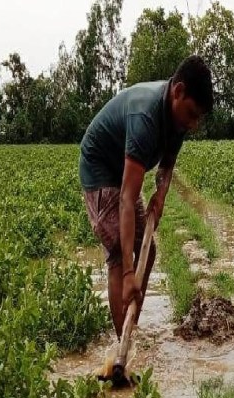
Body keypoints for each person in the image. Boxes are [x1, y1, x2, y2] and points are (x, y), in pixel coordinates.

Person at [79, 55, 213, 338]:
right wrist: (129, 273)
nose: (193, 124)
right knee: (119, 253)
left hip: (124, 172)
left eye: (198, 119)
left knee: (147, 250)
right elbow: (127, 198)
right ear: (178, 92)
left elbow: (167, 165)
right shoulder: (146, 117)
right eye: (191, 114)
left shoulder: (178, 120)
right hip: (101, 172)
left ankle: (131, 325)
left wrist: (161, 195)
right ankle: (121, 348)